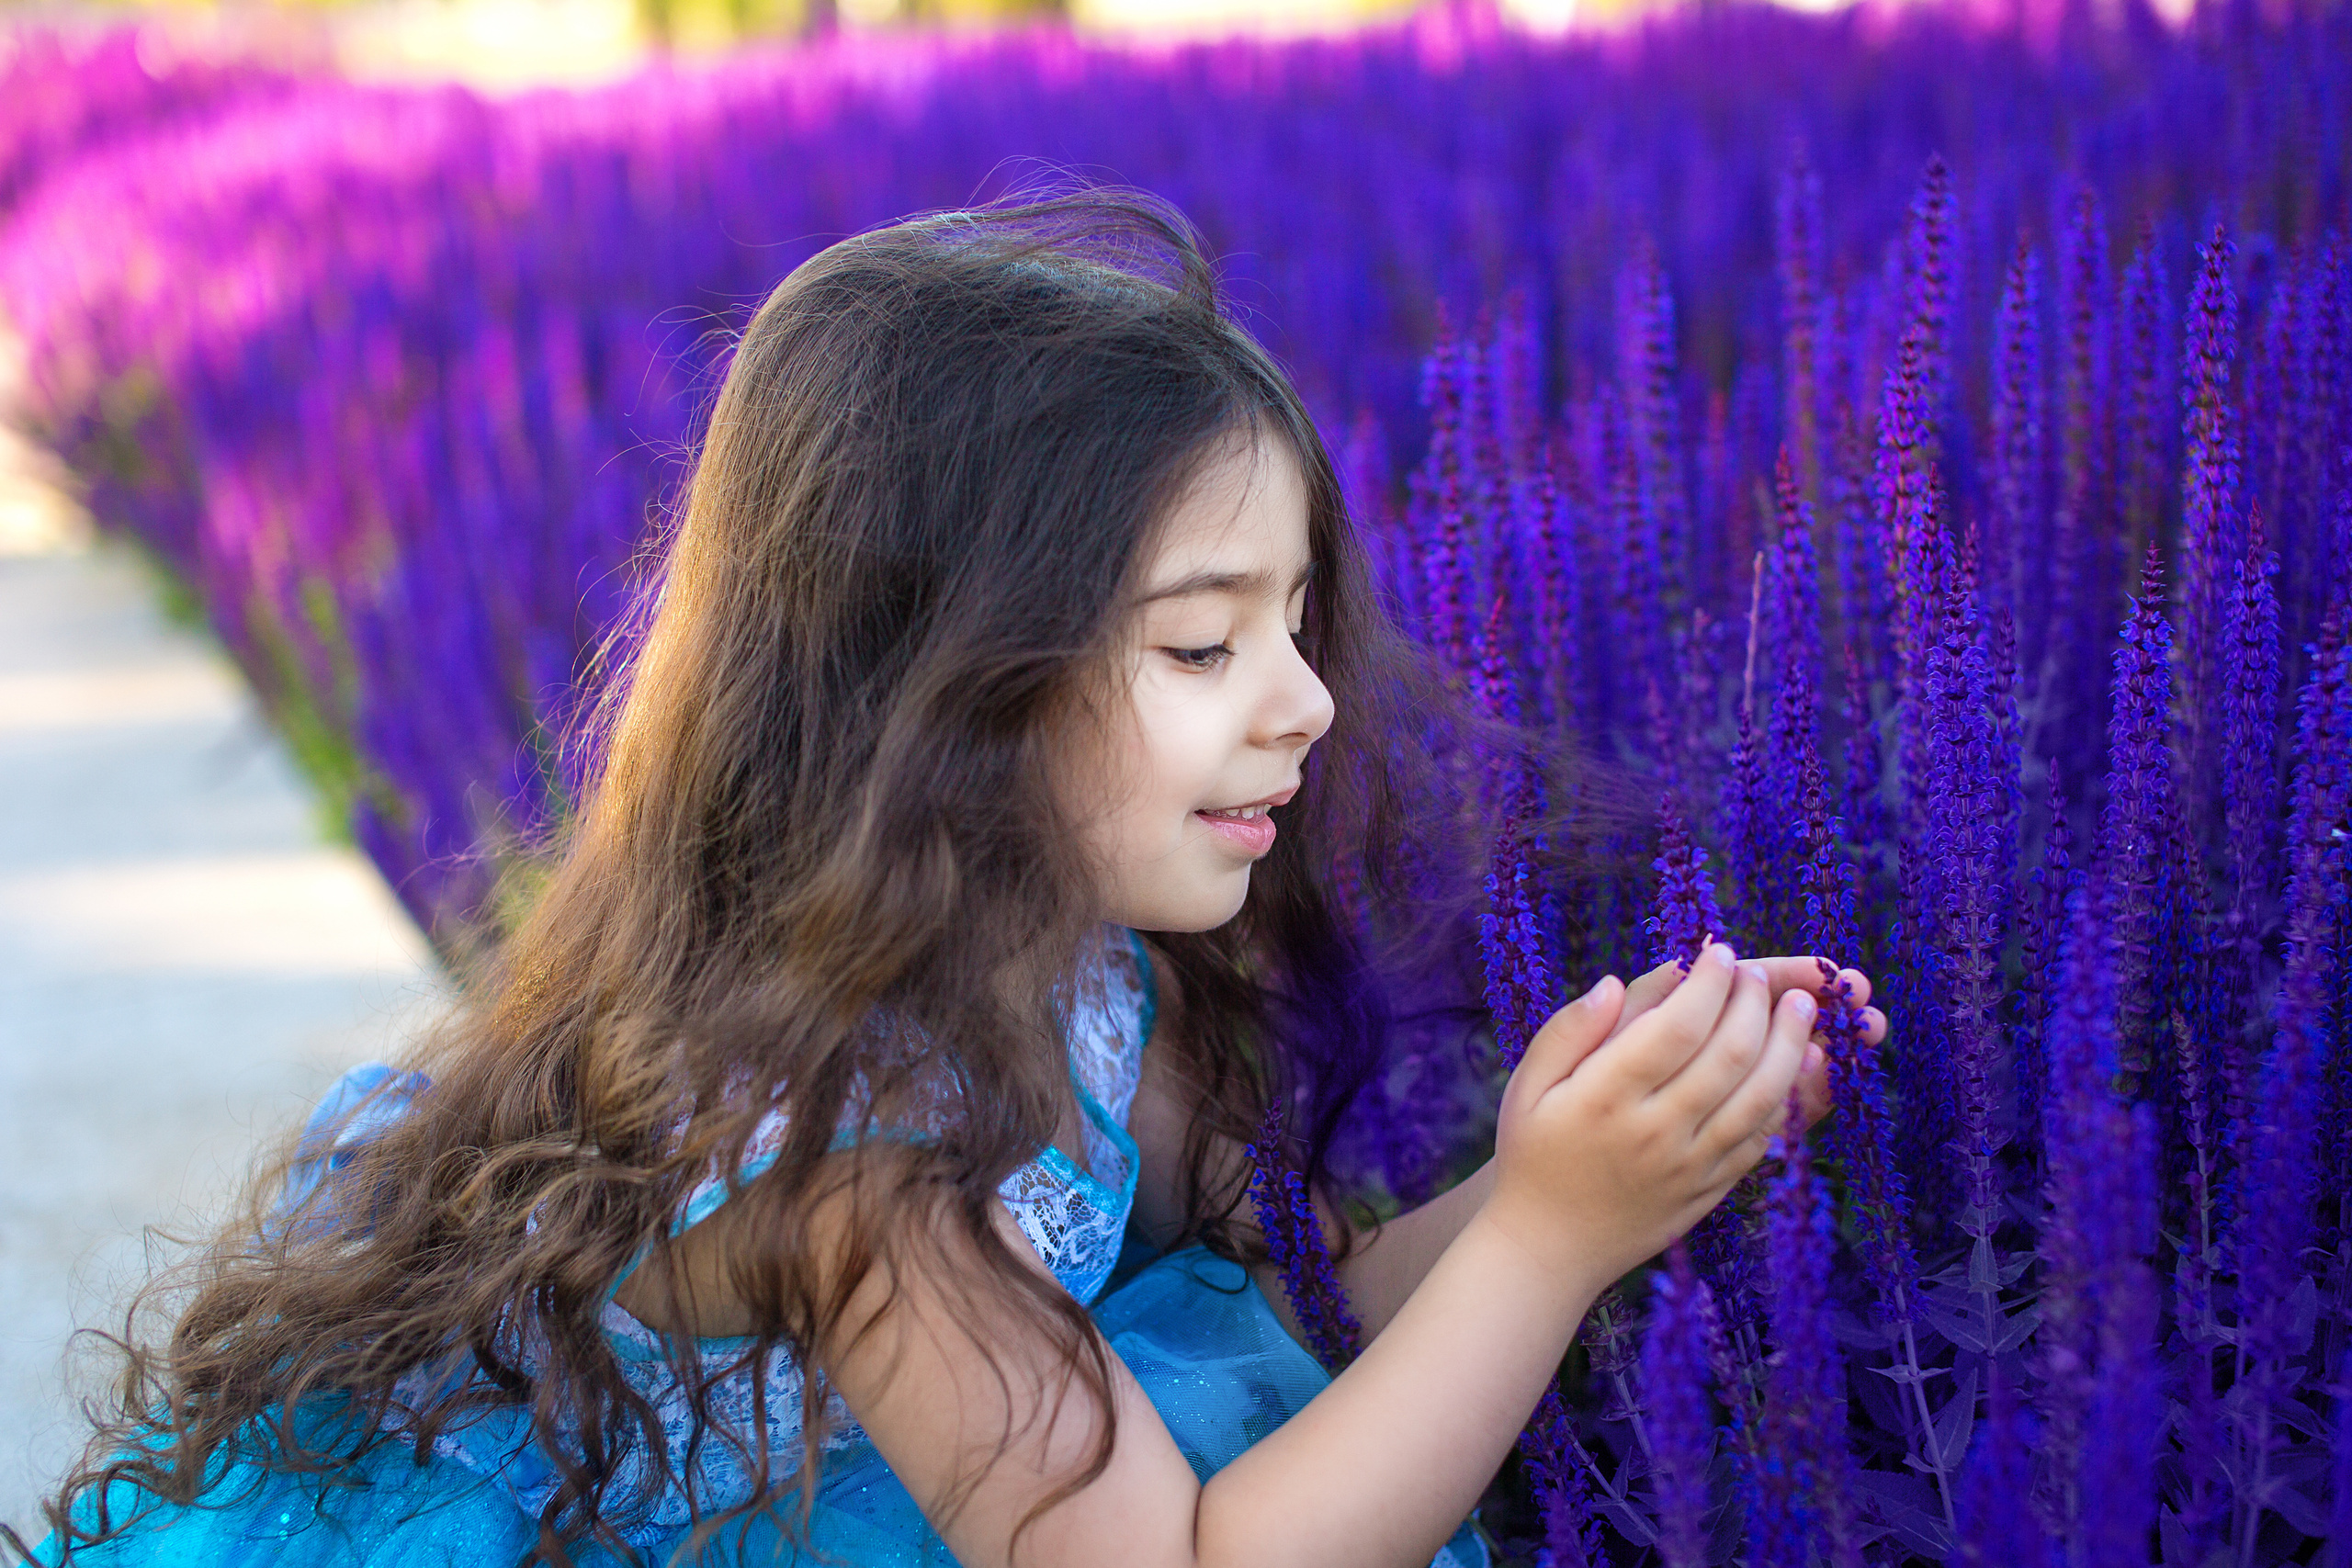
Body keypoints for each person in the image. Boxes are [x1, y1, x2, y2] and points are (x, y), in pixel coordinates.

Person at [30, 189, 1879, 1568]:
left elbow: (1295, 1320)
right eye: (1197, 647)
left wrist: (1560, 1164)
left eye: (1297, 625)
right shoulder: (861, 1145)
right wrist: (1551, 1243)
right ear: (950, 691)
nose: (1307, 701)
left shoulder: (1100, 975)